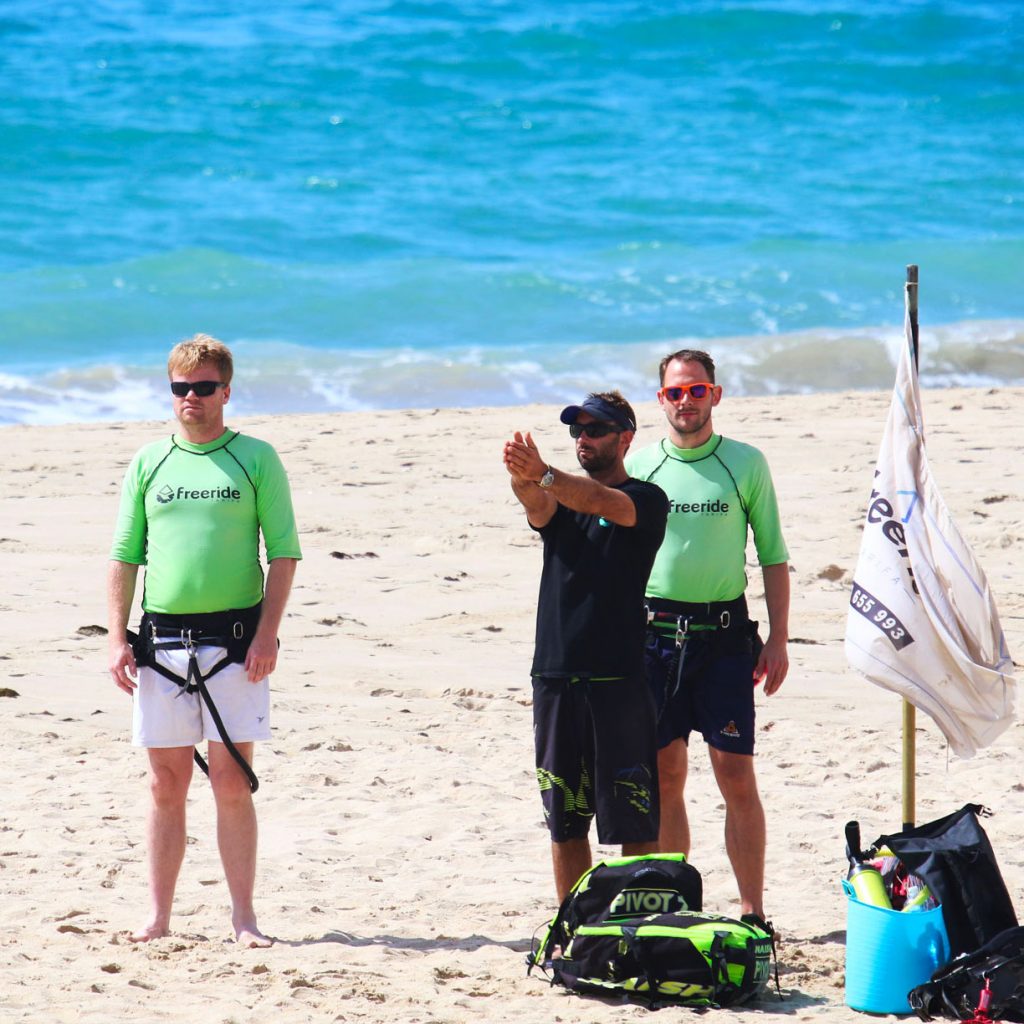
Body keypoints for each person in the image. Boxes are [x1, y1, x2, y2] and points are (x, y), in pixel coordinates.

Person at [107, 334, 301, 947]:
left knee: (231, 781)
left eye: (204, 387)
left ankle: (244, 918)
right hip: (162, 643)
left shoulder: (255, 458)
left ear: (226, 391)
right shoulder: (149, 461)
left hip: (236, 645)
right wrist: (116, 638)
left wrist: (267, 636)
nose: (191, 397)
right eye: (181, 387)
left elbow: (284, 554)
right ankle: (158, 917)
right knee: (165, 784)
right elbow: (124, 556)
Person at [626, 349, 789, 929]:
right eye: (676, 392)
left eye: (697, 390)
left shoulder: (745, 464)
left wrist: (778, 639)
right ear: (661, 400)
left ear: (715, 395)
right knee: (666, 774)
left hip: (723, 640)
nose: (687, 401)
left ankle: (752, 911)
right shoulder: (640, 466)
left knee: (735, 775)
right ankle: (674, 905)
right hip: (654, 639)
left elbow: (773, 556)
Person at [504, 391, 669, 901]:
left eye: (595, 430)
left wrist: (544, 474)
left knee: (633, 819)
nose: (583, 439)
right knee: (565, 821)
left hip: (618, 680)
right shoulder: (560, 499)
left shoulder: (646, 498)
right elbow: (538, 505)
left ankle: (638, 922)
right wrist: (523, 476)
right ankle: (576, 926)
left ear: (625, 438)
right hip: (556, 676)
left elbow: (601, 502)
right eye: (577, 430)